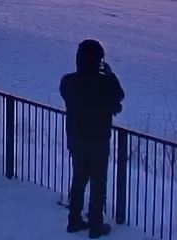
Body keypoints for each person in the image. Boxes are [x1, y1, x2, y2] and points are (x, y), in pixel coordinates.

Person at [60, 39, 125, 237]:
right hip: (99, 140)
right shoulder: (104, 83)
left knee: (78, 179)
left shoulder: (68, 82)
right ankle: (96, 224)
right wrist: (110, 74)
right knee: (98, 182)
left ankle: (74, 220)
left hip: (76, 138)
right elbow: (119, 96)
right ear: (99, 61)